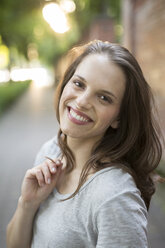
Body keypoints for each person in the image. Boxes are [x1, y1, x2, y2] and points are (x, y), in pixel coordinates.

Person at [7, 40, 163, 248]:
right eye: (79, 84)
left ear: (119, 118)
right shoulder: (51, 150)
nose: (81, 101)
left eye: (104, 98)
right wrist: (27, 204)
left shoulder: (114, 198)